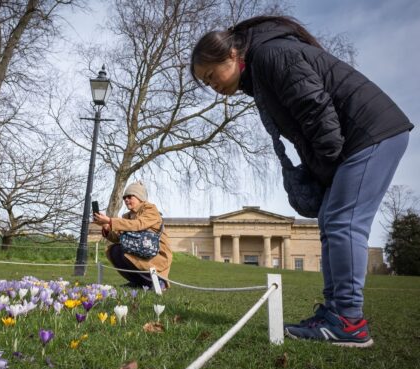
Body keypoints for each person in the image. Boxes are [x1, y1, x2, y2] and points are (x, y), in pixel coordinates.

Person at [191, 16, 413, 347]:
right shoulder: (262, 68)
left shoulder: (270, 56)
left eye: (211, 76)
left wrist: (323, 171)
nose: (214, 87)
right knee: (331, 220)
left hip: (370, 133)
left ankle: (349, 322)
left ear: (232, 55)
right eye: (206, 84)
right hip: (358, 138)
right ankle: (334, 313)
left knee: (343, 222)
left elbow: (316, 111)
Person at [93, 181, 172, 290]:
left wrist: (111, 221)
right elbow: (118, 237)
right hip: (140, 249)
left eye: (130, 197)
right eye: (125, 197)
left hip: (156, 252)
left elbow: (138, 225)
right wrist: (107, 228)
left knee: (124, 251)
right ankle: (138, 282)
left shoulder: (150, 209)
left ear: (140, 198)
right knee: (115, 250)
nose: (126, 200)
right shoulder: (127, 216)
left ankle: (159, 281)